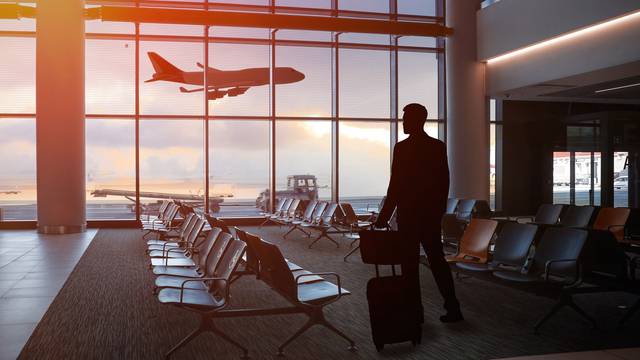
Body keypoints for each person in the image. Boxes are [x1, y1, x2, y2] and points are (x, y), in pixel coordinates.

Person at [375, 103, 463, 323]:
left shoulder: (402, 148)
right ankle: (453, 307)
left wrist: (384, 217)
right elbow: (444, 182)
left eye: (405, 119)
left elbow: (395, 186)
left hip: (409, 215)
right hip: (429, 216)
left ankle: (415, 311)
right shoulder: (437, 146)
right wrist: (438, 212)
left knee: (409, 265)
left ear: (417, 120)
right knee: (437, 261)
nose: (403, 123)